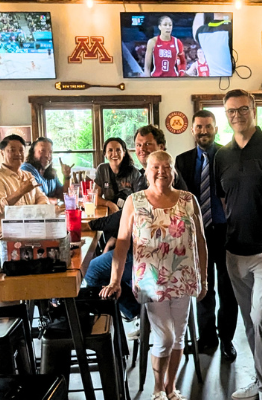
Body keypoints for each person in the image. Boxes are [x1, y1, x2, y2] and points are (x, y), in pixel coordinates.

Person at [101, 150, 207, 400]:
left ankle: (170, 388)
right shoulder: (135, 201)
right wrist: (115, 280)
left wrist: (204, 277)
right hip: (151, 280)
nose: (161, 172)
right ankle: (157, 388)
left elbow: (200, 241)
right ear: (146, 171)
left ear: (174, 172)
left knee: (178, 336)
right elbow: (123, 242)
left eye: (167, 167)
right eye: (155, 167)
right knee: (165, 337)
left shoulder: (188, 199)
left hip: (184, 276)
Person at [215, 89, 262, 400]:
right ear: (226, 114)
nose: (237, 115)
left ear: (253, 109)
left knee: (261, 320)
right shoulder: (221, 156)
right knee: (249, 322)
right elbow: (224, 199)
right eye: (231, 111)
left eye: (242, 109)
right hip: (234, 252)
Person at [83, 126, 188, 322]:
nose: (141, 149)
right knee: (106, 257)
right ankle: (140, 313)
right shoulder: (146, 175)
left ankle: (138, 314)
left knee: (92, 269)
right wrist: (115, 236)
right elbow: (130, 218)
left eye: (148, 144)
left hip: (154, 254)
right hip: (153, 248)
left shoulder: (158, 177)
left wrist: (90, 226)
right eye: (138, 145)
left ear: (162, 147)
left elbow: (125, 216)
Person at [174, 110, 238, 361]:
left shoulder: (228, 155)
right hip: (195, 234)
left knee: (227, 289)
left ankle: (227, 341)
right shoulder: (182, 160)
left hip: (225, 231)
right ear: (192, 130)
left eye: (208, 127)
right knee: (202, 288)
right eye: (199, 127)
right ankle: (207, 338)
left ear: (216, 129)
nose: (203, 131)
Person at [0, 135, 48, 250]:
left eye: (21, 150)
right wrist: (20, 192)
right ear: (2, 153)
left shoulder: (28, 175)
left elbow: (42, 198)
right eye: (12, 150)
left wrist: (36, 213)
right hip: (6, 243)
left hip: (30, 238)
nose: (18, 154)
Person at [94, 137, 142, 213]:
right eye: (110, 150)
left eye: (118, 150)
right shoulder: (102, 169)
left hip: (131, 214)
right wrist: (109, 204)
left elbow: (141, 200)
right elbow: (95, 197)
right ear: (105, 154)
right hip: (111, 213)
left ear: (124, 153)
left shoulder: (134, 173)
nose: (114, 154)